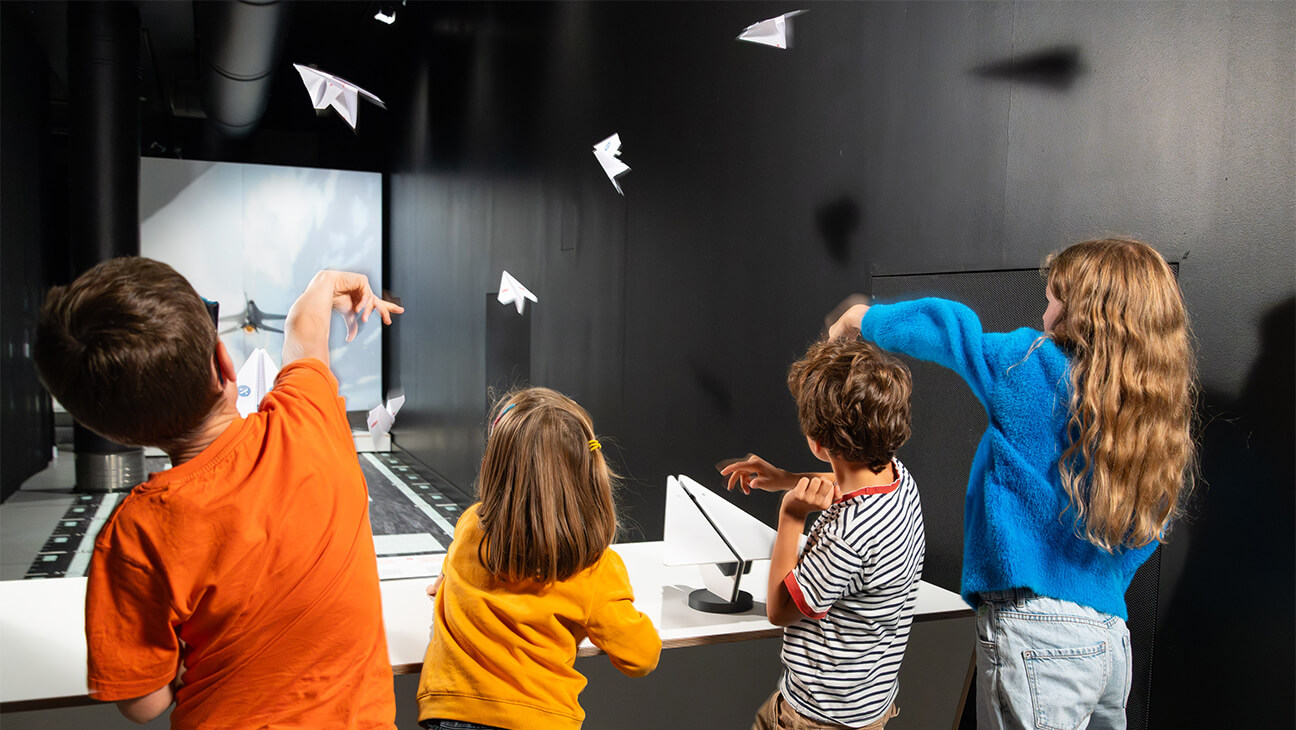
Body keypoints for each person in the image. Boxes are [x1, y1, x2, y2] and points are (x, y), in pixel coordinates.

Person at [826, 238, 1197, 730]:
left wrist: (860, 320)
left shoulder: (1028, 365)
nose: (1045, 309)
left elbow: (952, 330)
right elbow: (1150, 526)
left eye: (1052, 299)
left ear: (1082, 311)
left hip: (1035, 633)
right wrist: (1093, 587)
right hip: (1109, 640)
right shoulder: (1148, 418)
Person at [33, 258, 403, 728]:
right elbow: (304, 333)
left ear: (111, 430)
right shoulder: (310, 418)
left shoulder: (135, 533)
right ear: (226, 363)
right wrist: (328, 281)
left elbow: (143, 703)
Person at [416, 387, 662, 730]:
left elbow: (451, 566)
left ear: (495, 468)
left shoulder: (472, 524)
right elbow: (641, 657)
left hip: (451, 711)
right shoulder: (594, 566)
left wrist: (444, 583)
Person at [720, 338, 925, 730]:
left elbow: (779, 610)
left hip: (818, 717)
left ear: (816, 442)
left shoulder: (846, 536)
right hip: (864, 701)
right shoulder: (898, 478)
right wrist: (787, 479)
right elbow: (848, 483)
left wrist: (791, 514)